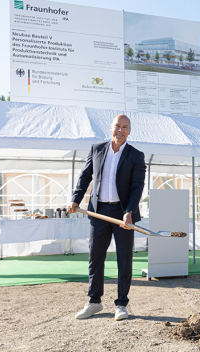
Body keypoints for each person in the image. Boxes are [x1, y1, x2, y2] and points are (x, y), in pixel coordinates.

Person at [68, 113, 146, 321]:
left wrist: (129, 211)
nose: (120, 130)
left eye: (125, 127)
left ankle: (121, 303)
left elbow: (137, 187)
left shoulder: (136, 155)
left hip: (123, 215)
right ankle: (94, 301)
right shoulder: (97, 149)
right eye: (117, 126)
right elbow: (85, 175)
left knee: (124, 259)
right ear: (111, 127)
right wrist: (76, 199)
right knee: (95, 257)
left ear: (129, 131)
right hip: (98, 211)